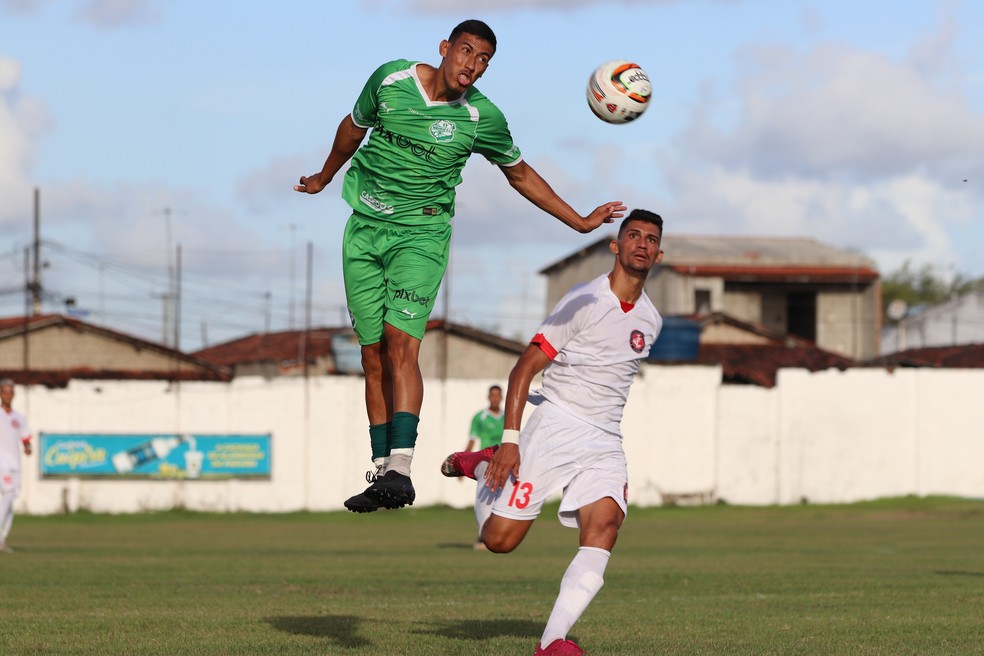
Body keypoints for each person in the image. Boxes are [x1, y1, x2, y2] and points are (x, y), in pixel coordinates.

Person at [294, 19, 625, 514]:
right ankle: (382, 471)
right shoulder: (391, 80)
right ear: (446, 48)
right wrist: (323, 177)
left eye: (484, 59)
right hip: (364, 226)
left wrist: (578, 221)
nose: (473, 65)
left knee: (401, 343)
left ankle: (402, 470)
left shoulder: (481, 117)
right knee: (372, 356)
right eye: (467, 52)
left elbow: (521, 174)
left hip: (422, 236)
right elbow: (351, 129)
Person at [441, 209, 665, 656]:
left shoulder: (652, 321)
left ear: (659, 254)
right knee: (499, 541)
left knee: (605, 526)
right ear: (615, 246)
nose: (642, 243)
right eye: (634, 235)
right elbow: (525, 366)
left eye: (652, 239)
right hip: (553, 423)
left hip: (603, 439)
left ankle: (551, 642)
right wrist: (509, 441)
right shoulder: (583, 300)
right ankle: (483, 461)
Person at [463, 384, 504, 549]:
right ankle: (483, 537)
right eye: (492, 395)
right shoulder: (480, 417)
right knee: (484, 499)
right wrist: (463, 464)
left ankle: (496, 537)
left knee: (500, 501)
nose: (495, 398)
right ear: (489, 397)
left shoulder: (507, 417)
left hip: (503, 463)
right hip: (486, 463)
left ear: (501, 398)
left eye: (498, 396)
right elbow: (472, 441)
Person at [0, 379, 33, 554]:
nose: (7, 395)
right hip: (1, 464)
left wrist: (28, 447)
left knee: (11, 499)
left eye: (10, 392)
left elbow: (25, 437)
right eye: (4, 391)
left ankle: (3, 538)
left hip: (15, 464)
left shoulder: (19, 418)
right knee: (7, 495)